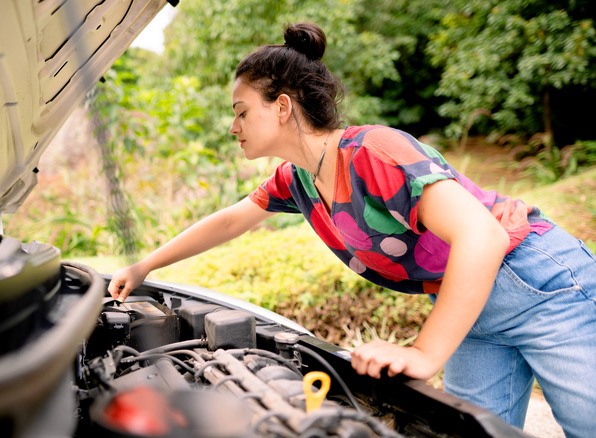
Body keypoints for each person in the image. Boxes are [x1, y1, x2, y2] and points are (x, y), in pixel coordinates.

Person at [107, 22, 596, 437]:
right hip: (471, 306)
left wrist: (424, 352)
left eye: (241, 112)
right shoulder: (298, 178)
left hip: (538, 280)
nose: (233, 127)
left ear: (281, 107)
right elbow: (233, 218)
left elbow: (482, 237)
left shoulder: (374, 153)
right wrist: (145, 264)